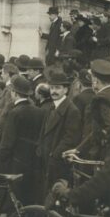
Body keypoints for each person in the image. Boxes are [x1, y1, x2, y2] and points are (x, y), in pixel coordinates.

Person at [0, 75, 45, 206]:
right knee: (28, 197)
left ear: (14, 93)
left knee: (15, 198)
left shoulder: (14, 113)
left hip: (16, 161)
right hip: (32, 161)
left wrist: (2, 158)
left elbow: (7, 141)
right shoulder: (39, 112)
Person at [37, 67, 81, 196]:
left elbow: (71, 138)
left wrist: (54, 154)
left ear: (66, 90)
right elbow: (43, 130)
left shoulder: (71, 110)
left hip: (57, 161)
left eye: (58, 88)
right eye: (52, 88)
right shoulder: (52, 106)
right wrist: (40, 147)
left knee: (55, 193)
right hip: (46, 157)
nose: (54, 91)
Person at [78, 59, 110, 160]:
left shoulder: (100, 98)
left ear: (96, 80)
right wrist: (79, 149)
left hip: (103, 154)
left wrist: (106, 148)